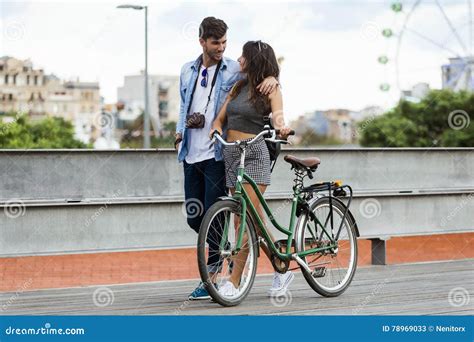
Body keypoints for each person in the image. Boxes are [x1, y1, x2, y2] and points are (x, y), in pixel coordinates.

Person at [176, 17, 279, 300]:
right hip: (191, 152)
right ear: (202, 42)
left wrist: (274, 78)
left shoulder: (234, 68)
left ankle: (212, 279)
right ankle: (265, 262)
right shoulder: (187, 70)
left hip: (220, 155)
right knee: (195, 218)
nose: (222, 48)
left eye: (224, 42)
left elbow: (262, 72)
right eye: (215, 43)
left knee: (218, 217)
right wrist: (178, 133)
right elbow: (183, 105)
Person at [210, 40, 294, 298]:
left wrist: (282, 128)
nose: (239, 59)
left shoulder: (271, 89)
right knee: (250, 218)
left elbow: (278, 115)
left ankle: (234, 283)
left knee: (242, 220)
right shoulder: (238, 85)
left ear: (254, 60)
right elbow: (220, 118)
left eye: (244, 56)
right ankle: (281, 266)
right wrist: (215, 128)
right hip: (232, 154)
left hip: (255, 154)